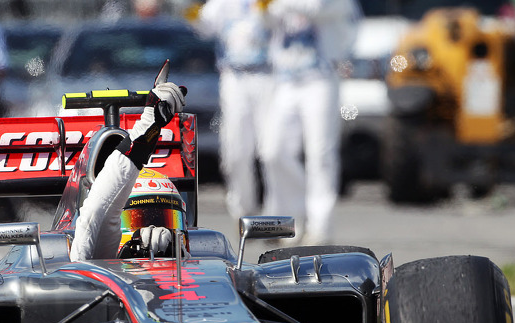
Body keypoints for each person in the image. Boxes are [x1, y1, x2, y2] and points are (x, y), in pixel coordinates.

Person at [261, 0, 361, 245]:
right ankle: (293, 220)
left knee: (321, 154)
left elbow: (316, 7)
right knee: (272, 151)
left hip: (322, 78)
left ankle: (320, 226)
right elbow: (267, 20)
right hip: (286, 80)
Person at [70, 81, 186, 261]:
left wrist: (180, 256)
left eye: (168, 220)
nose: (155, 233)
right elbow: (97, 211)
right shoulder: (93, 271)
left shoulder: (202, 266)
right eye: (139, 219)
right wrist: (149, 123)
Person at [196, 0, 271, 220]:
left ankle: (276, 210)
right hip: (234, 76)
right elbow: (203, 27)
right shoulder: (222, 3)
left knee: (272, 150)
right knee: (236, 150)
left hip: (271, 75)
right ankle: (244, 210)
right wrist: (191, 10)